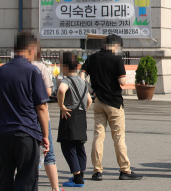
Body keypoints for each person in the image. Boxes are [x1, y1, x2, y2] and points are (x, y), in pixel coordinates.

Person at [80, 34, 142, 180]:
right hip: (114, 103)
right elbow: (122, 81)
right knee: (119, 137)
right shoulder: (116, 59)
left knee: (98, 136)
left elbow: (81, 76)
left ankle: (97, 171)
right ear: (115, 45)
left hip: (98, 101)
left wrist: (92, 91)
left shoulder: (92, 58)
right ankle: (125, 170)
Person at [0, 32, 50, 191]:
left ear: (14, 48)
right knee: (27, 180)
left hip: (3, 133)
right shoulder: (33, 71)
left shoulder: (0, 71)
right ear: (31, 48)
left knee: (4, 177)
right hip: (26, 132)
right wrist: (45, 135)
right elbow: (41, 106)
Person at [57, 52, 92, 188]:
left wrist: (62, 106)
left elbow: (61, 90)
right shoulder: (82, 81)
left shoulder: (66, 80)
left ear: (65, 66)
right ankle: (81, 174)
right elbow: (89, 99)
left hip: (69, 115)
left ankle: (77, 177)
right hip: (81, 115)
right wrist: (85, 110)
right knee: (79, 146)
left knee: (68, 145)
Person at [32, 44, 61, 191]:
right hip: (41, 114)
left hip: (24, 115)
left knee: (27, 152)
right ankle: (55, 188)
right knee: (48, 151)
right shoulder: (41, 67)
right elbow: (48, 92)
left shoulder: (15, 66)